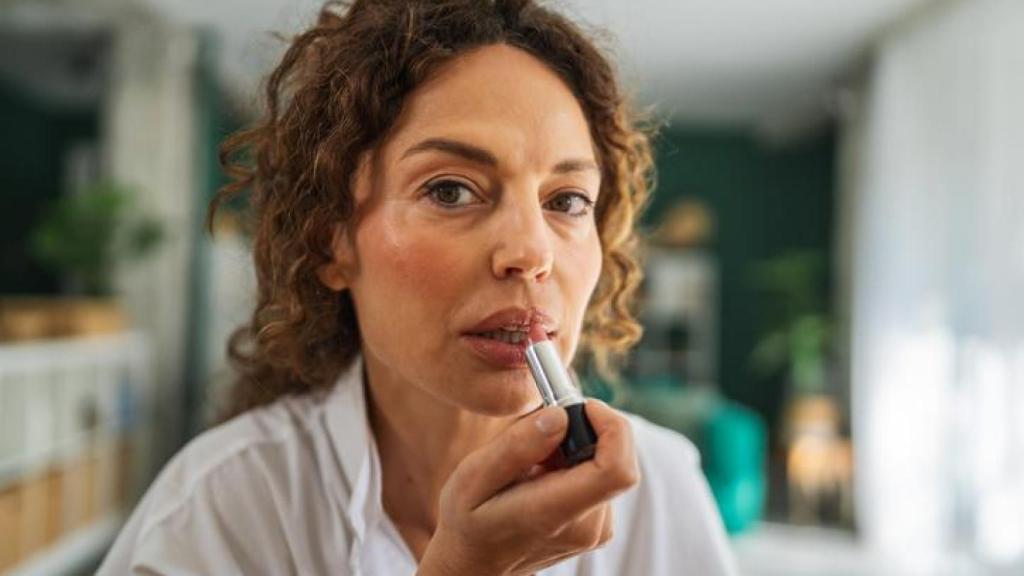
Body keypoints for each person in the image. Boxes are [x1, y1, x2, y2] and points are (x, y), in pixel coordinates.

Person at [98, 0, 737, 574]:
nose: (530, 253)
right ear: (332, 242)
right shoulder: (217, 511)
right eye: (450, 190)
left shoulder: (659, 491)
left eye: (567, 200)